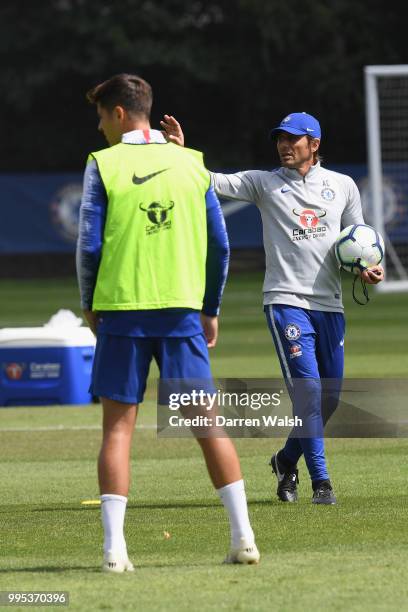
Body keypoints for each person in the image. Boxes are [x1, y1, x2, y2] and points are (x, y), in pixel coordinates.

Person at [76, 73, 259, 572]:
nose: (98, 128)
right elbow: (219, 245)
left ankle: (115, 552)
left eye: (100, 116)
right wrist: (211, 307)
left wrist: (89, 304)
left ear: (118, 113)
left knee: (117, 431)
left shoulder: (104, 165)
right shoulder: (192, 161)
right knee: (208, 426)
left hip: (123, 310)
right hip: (181, 311)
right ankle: (243, 538)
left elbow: (89, 244)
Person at [161, 111, 384, 505]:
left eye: (293, 139)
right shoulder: (263, 184)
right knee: (310, 393)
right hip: (285, 301)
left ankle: (285, 460)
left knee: (329, 397)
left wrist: (367, 268)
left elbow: (358, 237)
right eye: (280, 139)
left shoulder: (343, 186)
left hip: (330, 304)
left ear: (314, 145)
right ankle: (322, 483)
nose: (284, 145)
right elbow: (210, 180)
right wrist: (182, 154)